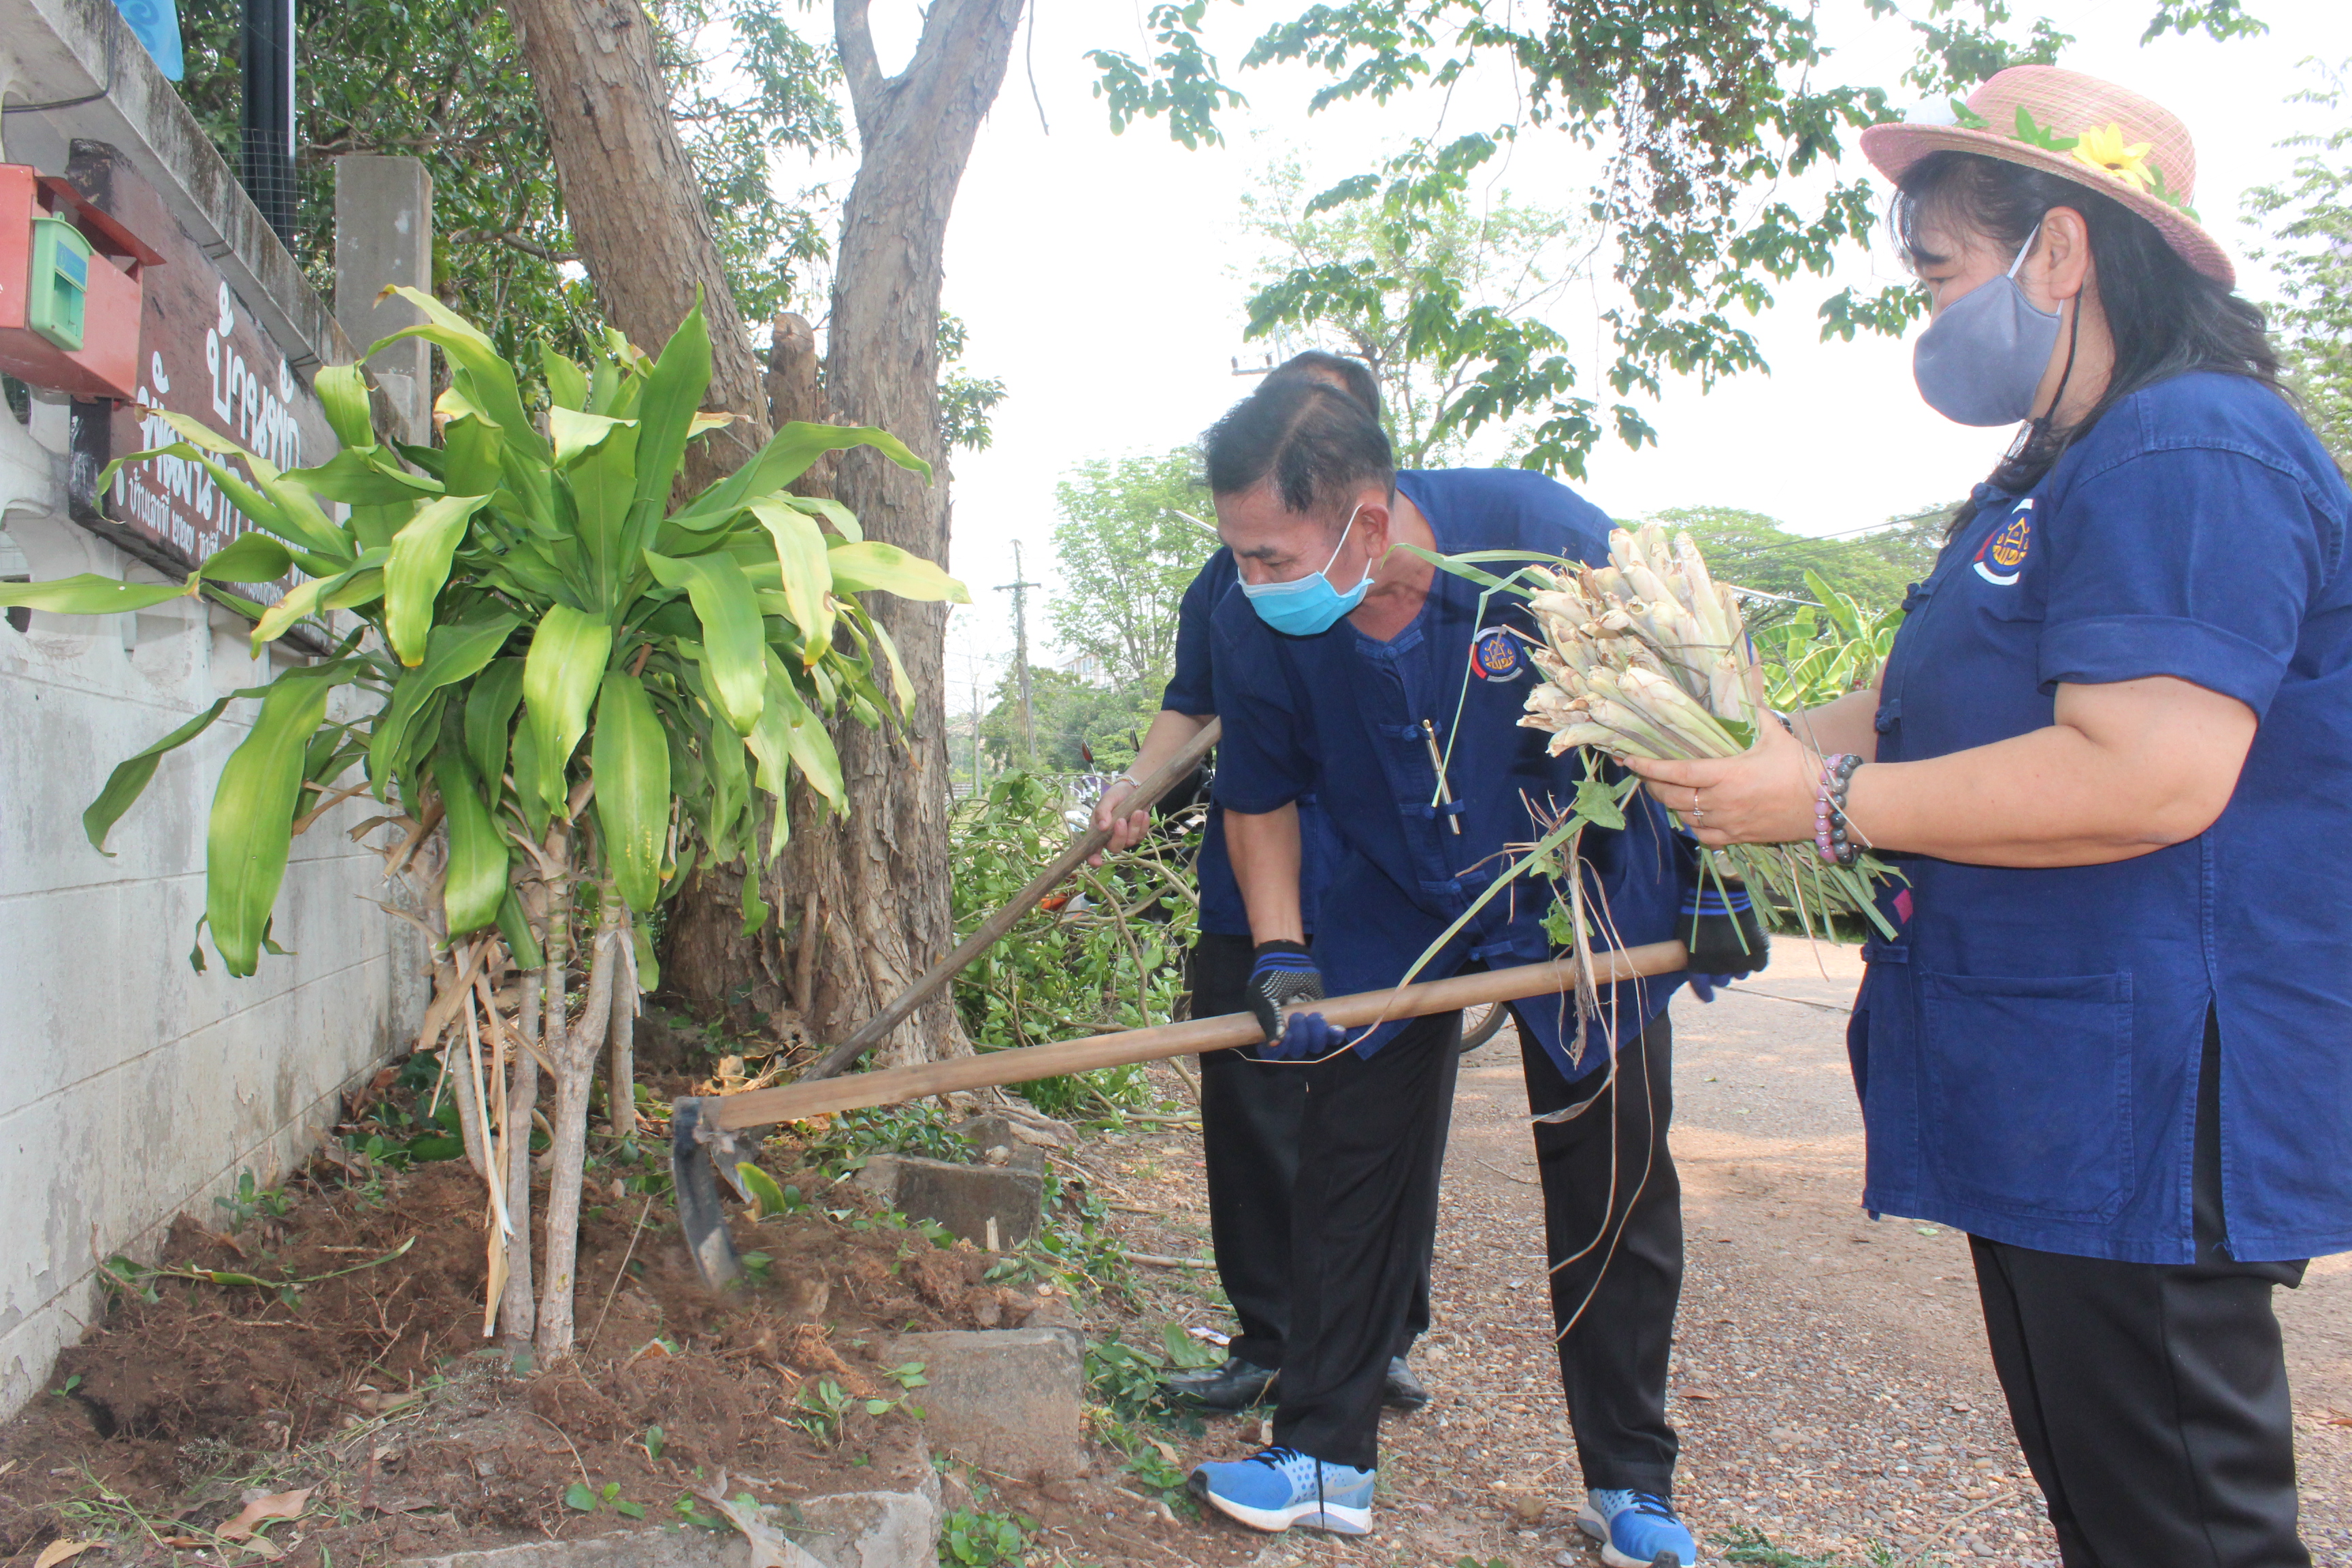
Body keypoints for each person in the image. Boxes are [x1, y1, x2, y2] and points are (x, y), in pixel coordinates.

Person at [1628, 66, 2351, 1568]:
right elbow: (1913, 706)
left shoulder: (2192, 449)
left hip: (2148, 1093)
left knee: (2184, 1529)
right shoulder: (2055, 477)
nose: (1930, 315)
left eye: (1943, 272)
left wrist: (1822, 802)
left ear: (2064, 252)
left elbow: (2150, 771)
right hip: (2065, 1085)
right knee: (2113, 1514)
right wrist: (1711, 746)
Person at [1181, 373, 1740, 1565]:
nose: (1252, 581)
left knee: (1613, 1181)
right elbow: (1260, 795)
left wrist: (1712, 878)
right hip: (1392, 896)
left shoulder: (1544, 542)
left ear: (1368, 525)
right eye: (1238, 554)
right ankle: (1325, 1454)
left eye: (1273, 555)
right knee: (1351, 1161)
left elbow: (1691, 712)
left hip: (1579, 882)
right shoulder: (1251, 622)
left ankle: (1632, 1486)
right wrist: (1280, 952)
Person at [1096, 352, 1433, 1416]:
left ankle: (1374, 1341)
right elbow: (1191, 704)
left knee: (1383, 1114)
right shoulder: (1236, 581)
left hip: (1383, 890)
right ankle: (1270, 1336)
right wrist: (1138, 786)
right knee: (1251, 1110)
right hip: (1253, 884)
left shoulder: (1429, 568)